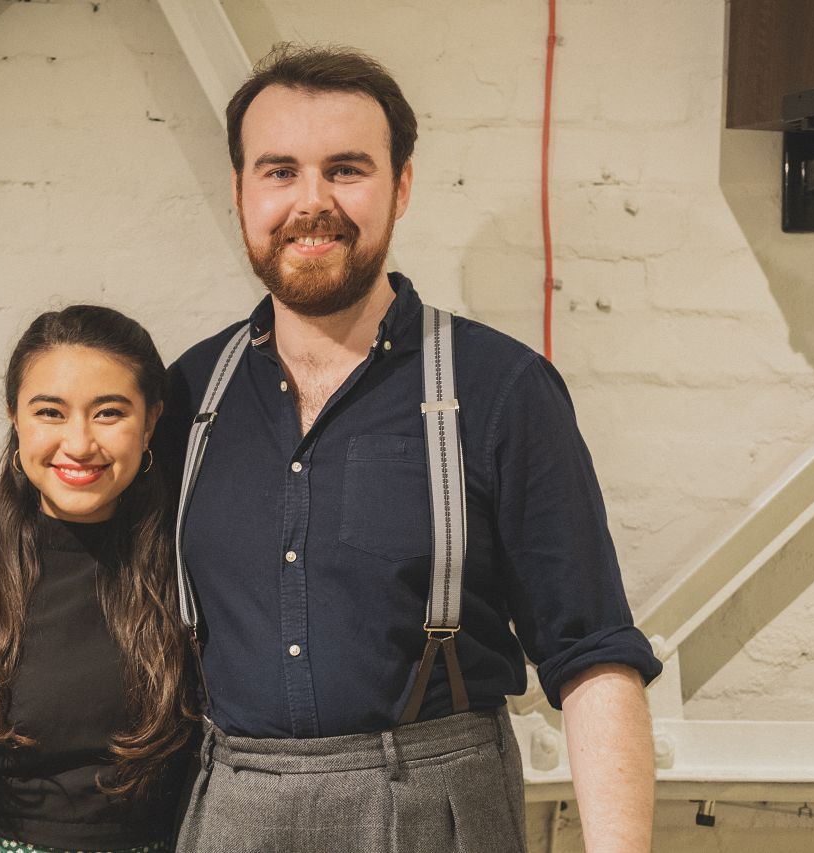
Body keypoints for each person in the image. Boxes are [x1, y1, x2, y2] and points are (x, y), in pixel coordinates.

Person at [157, 45, 664, 853]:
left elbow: (593, 653)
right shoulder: (187, 395)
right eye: (280, 171)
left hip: (435, 809)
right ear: (240, 191)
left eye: (346, 169)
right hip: (232, 808)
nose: (312, 201)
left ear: (401, 186)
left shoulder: (501, 388)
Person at [0, 306, 195, 853]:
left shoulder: (191, 585)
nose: (79, 443)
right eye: (50, 412)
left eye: (109, 413)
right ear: (14, 418)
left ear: (151, 421)